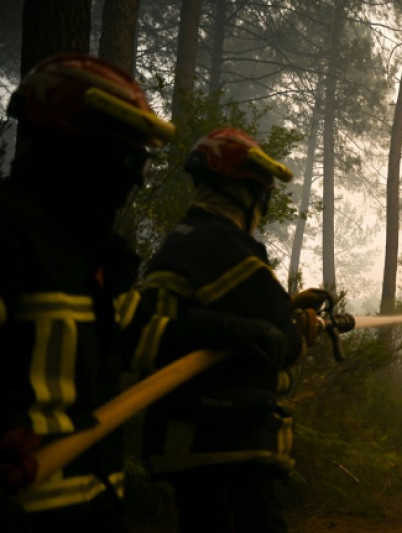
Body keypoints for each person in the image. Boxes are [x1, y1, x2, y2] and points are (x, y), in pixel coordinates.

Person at [0, 54, 290, 533]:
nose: (133, 179)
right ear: (74, 150)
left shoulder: (82, 257)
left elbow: (138, 328)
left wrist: (228, 329)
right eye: (124, 157)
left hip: (91, 505)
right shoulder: (10, 232)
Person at [135, 127, 351, 533]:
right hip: (226, 449)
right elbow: (274, 342)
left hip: (195, 445)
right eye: (262, 194)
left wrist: (285, 309)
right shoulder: (226, 247)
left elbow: (220, 324)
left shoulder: (184, 242)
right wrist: (298, 332)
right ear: (246, 193)